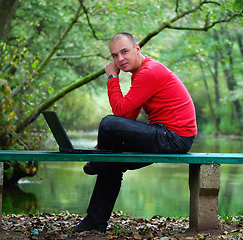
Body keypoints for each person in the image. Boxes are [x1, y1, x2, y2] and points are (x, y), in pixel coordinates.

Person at [71, 32, 197, 232]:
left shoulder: (150, 71)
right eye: (114, 55)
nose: (120, 59)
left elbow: (118, 113)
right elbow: (128, 117)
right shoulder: (140, 74)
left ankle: (98, 160)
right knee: (112, 161)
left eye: (124, 52)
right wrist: (102, 146)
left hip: (174, 138)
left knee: (108, 123)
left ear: (137, 49)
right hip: (163, 135)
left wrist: (112, 77)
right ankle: (95, 222)